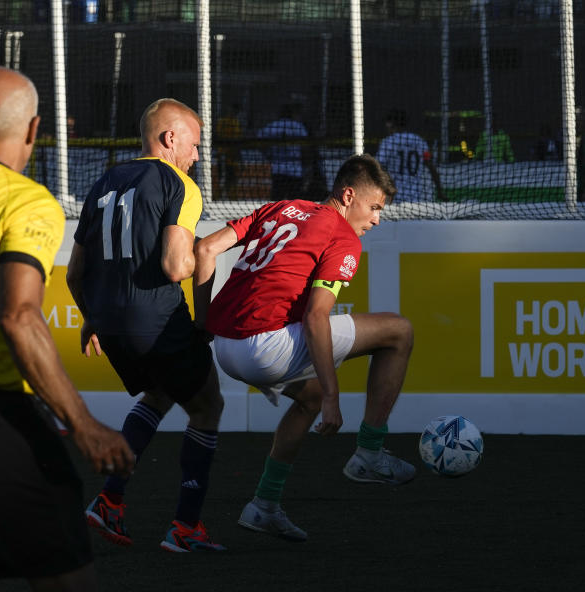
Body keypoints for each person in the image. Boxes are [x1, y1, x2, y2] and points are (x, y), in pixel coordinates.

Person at [0, 66, 134, 591]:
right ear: (35, 130)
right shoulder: (23, 199)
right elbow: (19, 316)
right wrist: (83, 423)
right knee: (66, 576)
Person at [192, 154, 415, 541]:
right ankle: (370, 452)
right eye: (374, 207)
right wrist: (334, 395)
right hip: (264, 347)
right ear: (348, 196)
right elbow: (315, 317)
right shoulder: (342, 237)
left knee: (307, 398)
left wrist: (201, 324)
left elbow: (206, 249)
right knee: (398, 331)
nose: (377, 219)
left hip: (225, 347)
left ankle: (264, 505)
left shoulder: (281, 207)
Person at [67, 98, 226, 552]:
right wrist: (205, 272)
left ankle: (109, 502)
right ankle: (186, 528)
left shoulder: (103, 181)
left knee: (158, 393)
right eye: (194, 145)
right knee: (208, 406)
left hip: (112, 324)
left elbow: (75, 274)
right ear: (170, 138)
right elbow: (177, 267)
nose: (196, 156)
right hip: (156, 319)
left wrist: (93, 318)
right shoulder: (178, 183)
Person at [376, 109, 445, 201]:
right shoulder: (419, 141)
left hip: (395, 199)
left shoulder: (388, 142)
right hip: (416, 199)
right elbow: (431, 167)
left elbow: (378, 168)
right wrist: (439, 191)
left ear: (391, 123)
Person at [256, 104, 310, 201]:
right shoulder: (298, 127)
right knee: (296, 204)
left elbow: (259, 142)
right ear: (292, 114)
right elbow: (305, 149)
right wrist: (306, 166)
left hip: (278, 171)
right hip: (295, 172)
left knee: (276, 203)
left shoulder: (273, 126)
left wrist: (268, 155)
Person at [215, 103, 243, 199]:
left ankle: (229, 197)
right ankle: (221, 196)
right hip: (224, 157)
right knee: (223, 179)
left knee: (231, 179)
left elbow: (237, 140)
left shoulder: (236, 122)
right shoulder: (223, 122)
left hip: (232, 157)